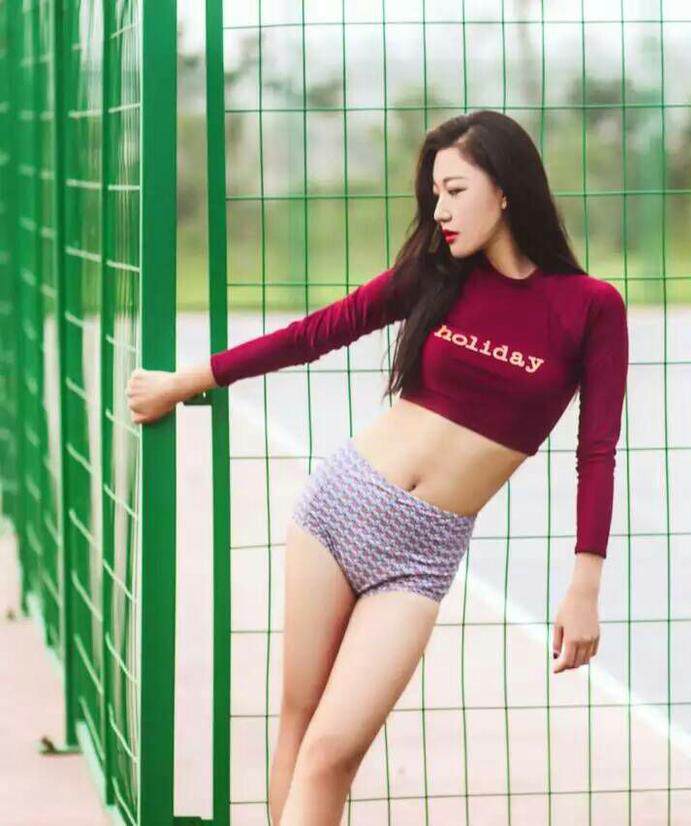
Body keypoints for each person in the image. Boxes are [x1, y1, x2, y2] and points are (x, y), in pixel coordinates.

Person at [124, 109, 628, 825]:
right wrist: (187, 381)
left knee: (333, 750)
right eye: (434, 195)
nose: (440, 211)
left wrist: (584, 586)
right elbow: (314, 333)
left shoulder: (590, 308)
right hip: (341, 507)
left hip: (422, 554)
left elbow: (597, 450)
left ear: (506, 189)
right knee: (299, 724)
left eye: (455, 191)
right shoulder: (434, 277)